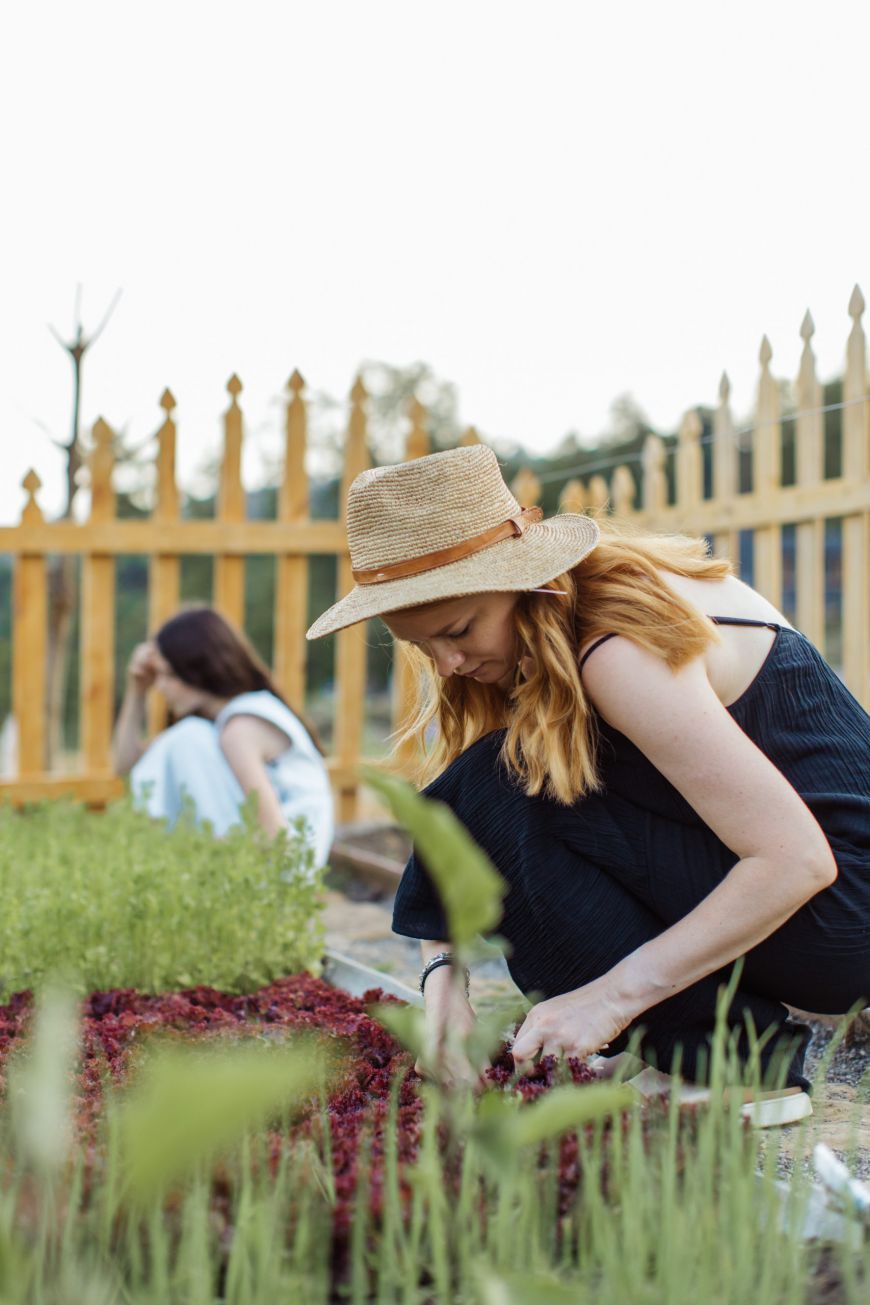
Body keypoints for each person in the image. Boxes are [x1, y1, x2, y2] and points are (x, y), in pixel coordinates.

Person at [307, 444, 870, 1096]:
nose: (447, 664)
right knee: (496, 780)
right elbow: (459, 815)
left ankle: (732, 1063)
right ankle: (689, 1043)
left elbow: (798, 859)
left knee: (506, 786)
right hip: (817, 899)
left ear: (519, 580)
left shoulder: (616, 648)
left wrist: (609, 998)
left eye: (458, 630)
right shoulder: (557, 626)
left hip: (844, 907)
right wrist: (442, 980)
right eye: (423, 644)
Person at [114, 606, 334, 867]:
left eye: (169, 674)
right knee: (186, 736)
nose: (159, 687)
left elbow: (275, 839)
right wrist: (137, 690)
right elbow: (126, 767)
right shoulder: (223, 723)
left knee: (187, 737)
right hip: (276, 864)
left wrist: (198, 854)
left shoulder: (240, 728)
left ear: (201, 670)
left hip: (281, 871)